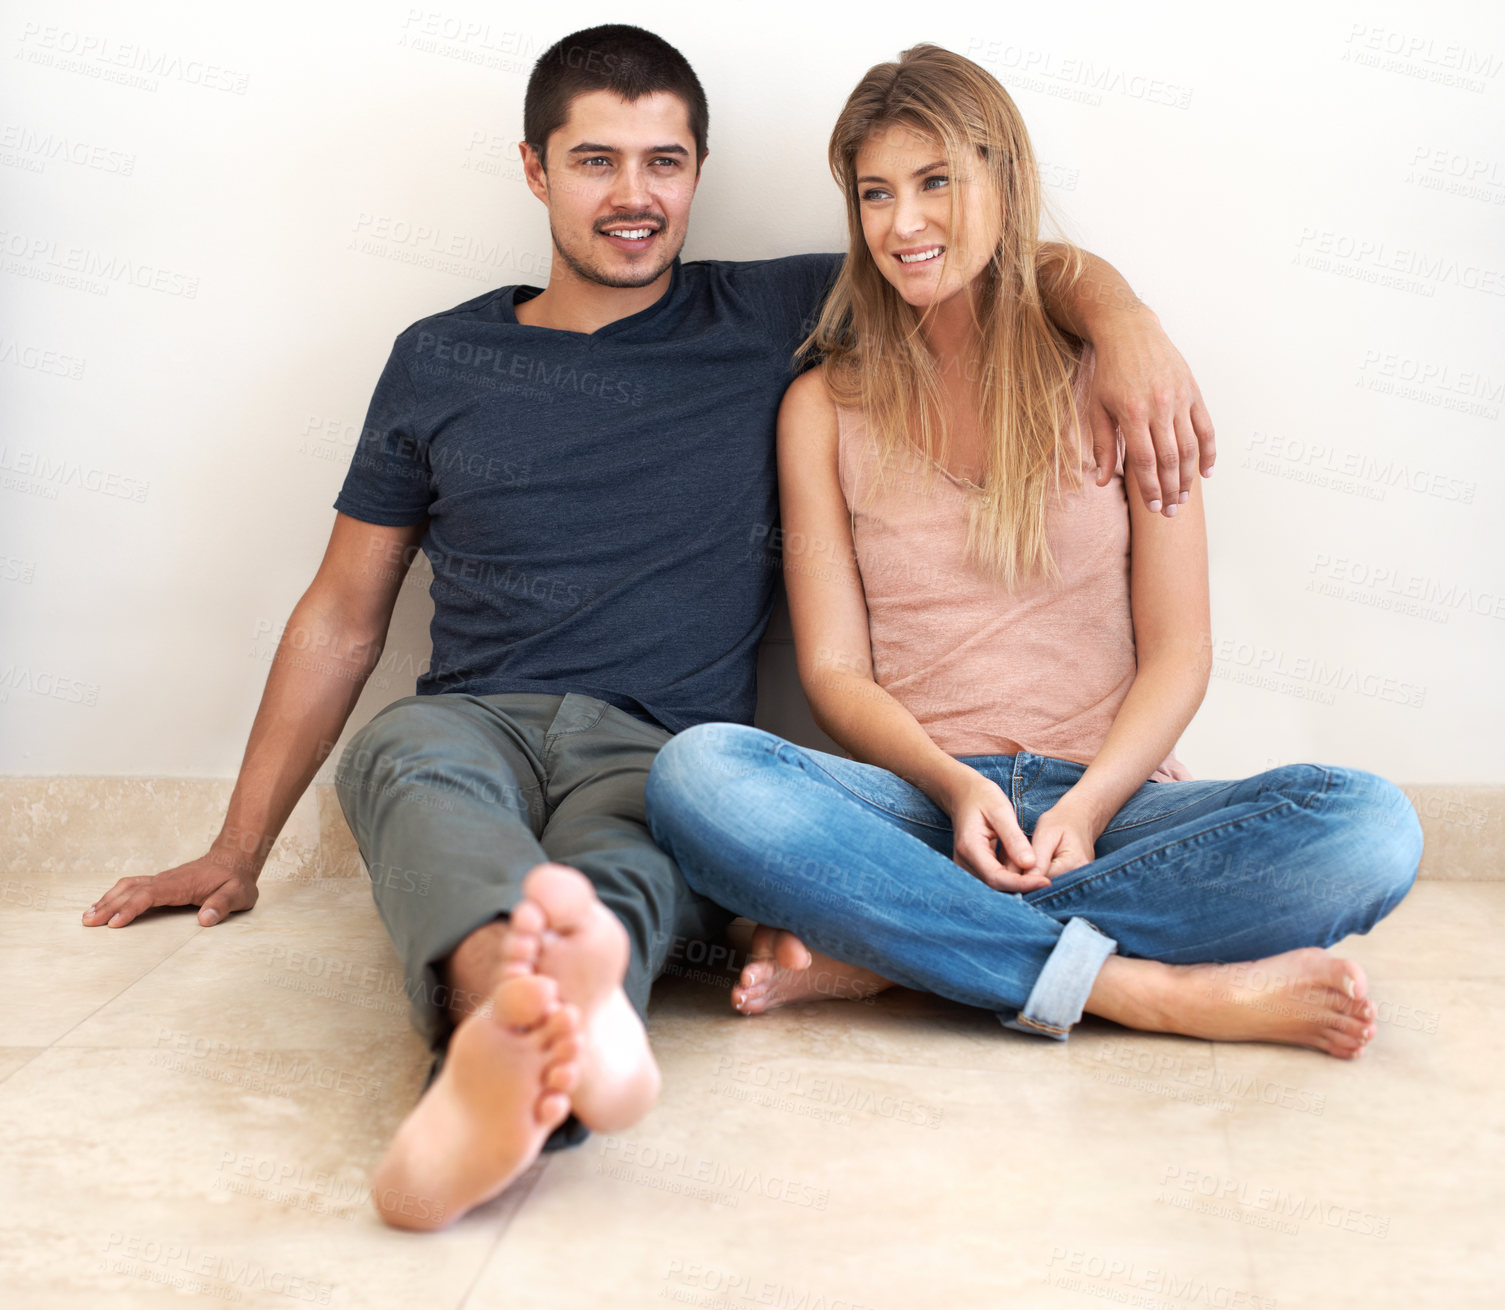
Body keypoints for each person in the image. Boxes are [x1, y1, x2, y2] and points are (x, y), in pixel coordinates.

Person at [79, 27, 1218, 1230]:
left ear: (698, 169)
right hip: (472, 718)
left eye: (663, 162)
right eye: (594, 162)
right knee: (409, 769)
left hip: (662, 743)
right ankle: (509, 1039)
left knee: (627, 862)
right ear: (533, 168)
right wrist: (237, 843)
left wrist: (1127, 317)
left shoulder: (769, 310)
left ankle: (515, 1063)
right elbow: (339, 614)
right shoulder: (436, 357)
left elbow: (980, 245)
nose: (633, 196)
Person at [644, 44, 1422, 1062]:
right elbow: (833, 670)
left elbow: (1178, 649)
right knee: (696, 774)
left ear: (1001, 183)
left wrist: (1091, 805)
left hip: (1115, 798)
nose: (902, 224)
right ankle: (1138, 990)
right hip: (917, 802)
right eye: (874, 194)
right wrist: (956, 787)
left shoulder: (1113, 377)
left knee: (1369, 827)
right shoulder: (821, 407)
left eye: (934, 183)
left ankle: (895, 946)